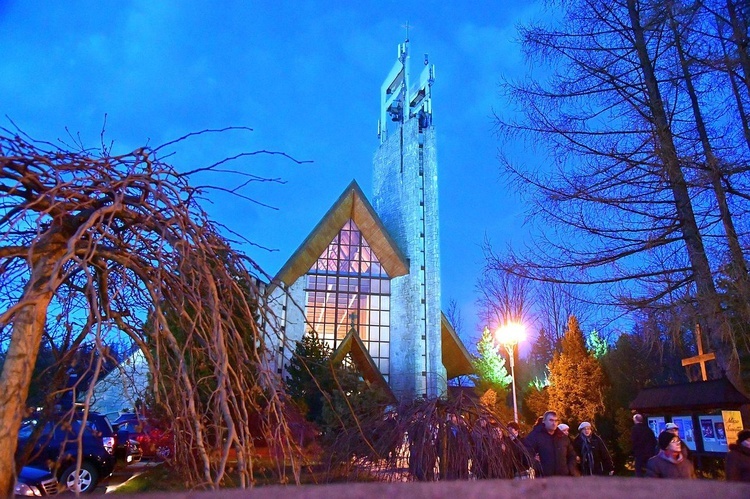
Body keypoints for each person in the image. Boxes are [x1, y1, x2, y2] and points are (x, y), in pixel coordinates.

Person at [523, 411, 580, 477]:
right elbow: (526, 453)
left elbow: (572, 455)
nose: (554, 423)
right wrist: (538, 467)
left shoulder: (562, 437)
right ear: (544, 421)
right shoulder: (535, 436)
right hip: (544, 478)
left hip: (563, 477)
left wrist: (570, 468)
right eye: (551, 420)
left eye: (556, 421)